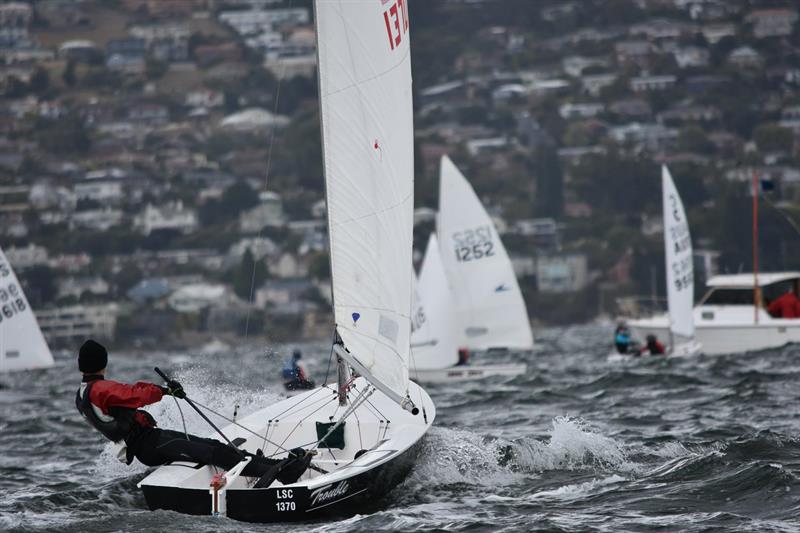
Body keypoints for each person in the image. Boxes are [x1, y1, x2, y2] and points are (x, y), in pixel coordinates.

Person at [75, 339, 309, 484]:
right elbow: (134, 393)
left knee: (214, 446)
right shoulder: (101, 389)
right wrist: (165, 390)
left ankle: (275, 465)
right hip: (147, 445)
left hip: (149, 440)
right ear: (102, 363)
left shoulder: (82, 393)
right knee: (212, 452)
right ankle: (281, 473)